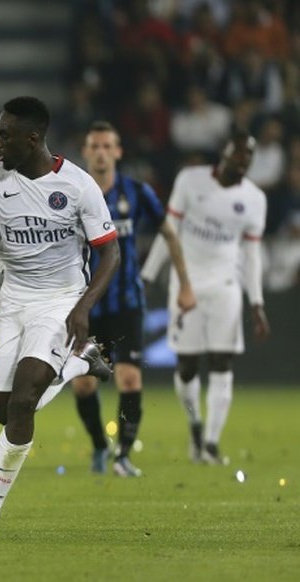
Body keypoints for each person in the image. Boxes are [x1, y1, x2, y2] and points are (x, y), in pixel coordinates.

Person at [0, 97, 120, 542]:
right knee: (5, 411)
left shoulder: (77, 185)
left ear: (32, 139)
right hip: (13, 298)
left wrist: (83, 307)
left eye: (4, 135)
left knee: (22, 400)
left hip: (59, 299)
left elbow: (110, 251)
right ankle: (80, 361)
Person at [71, 121, 197, 478]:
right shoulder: (73, 194)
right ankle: (98, 444)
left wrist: (185, 283)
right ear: (86, 152)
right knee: (83, 384)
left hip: (127, 303)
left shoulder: (137, 192)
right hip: (86, 306)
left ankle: (123, 454)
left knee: (129, 379)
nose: (100, 152)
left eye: (107, 146)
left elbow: (169, 234)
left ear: (118, 152)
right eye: (94, 146)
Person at [141, 130, 270, 465]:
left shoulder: (254, 199)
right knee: (186, 367)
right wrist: (148, 275)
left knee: (222, 361)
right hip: (186, 285)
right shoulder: (191, 181)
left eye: (248, 157)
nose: (243, 162)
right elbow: (169, 230)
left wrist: (256, 303)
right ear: (223, 154)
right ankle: (195, 427)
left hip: (227, 285)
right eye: (237, 154)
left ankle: (211, 443)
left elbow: (252, 256)